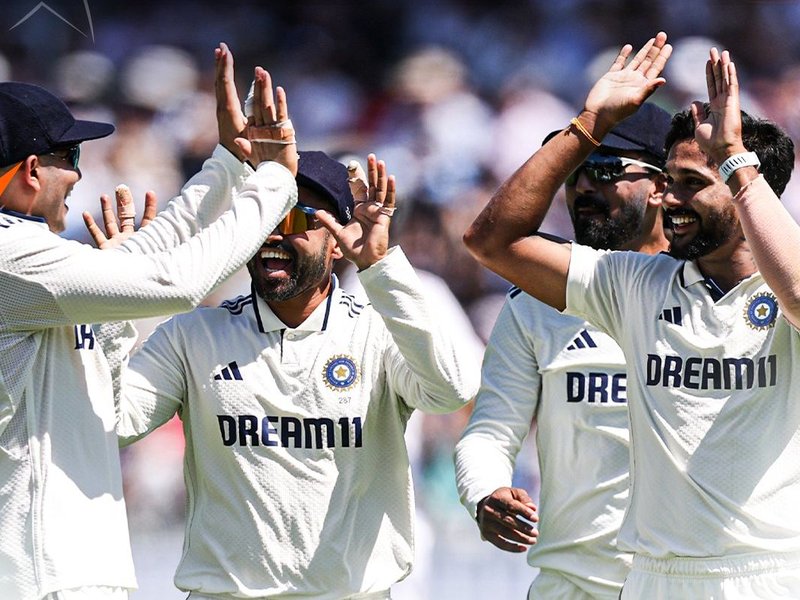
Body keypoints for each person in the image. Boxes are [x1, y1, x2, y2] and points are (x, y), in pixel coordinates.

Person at [464, 31, 800, 598]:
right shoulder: (635, 286)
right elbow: (491, 242)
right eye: (670, 182)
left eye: (692, 183)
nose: (670, 198)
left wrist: (737, 163)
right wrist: (589, 122)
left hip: (764, 577)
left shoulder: (781, 288)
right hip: (644, 577)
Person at [0, 43, 300, 600]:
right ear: (32, 171)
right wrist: (275, 182)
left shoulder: (29, 259)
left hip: (64, 569)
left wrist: (232, 164)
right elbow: (178, 282)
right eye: (72, 159)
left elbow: (154, 254)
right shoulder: (12, 259)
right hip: (43, 575)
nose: (79, 176)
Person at [112, 148, 479, 599]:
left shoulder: (378, 331)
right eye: (264, 218)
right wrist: (115, 299)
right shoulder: (193, 335)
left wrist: (381, 267)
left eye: (299, 219)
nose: (275, 235)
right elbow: (116, 423)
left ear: (339, 235)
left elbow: (450, 391)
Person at [454, 102, 672, 599]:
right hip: (572, 585)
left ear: (662, 186)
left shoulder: (707, 294)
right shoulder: (533, 305)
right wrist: (485, 492)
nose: (584, 188)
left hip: (684, 581)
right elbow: (489, 430)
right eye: (574, 173)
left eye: (606, 170)